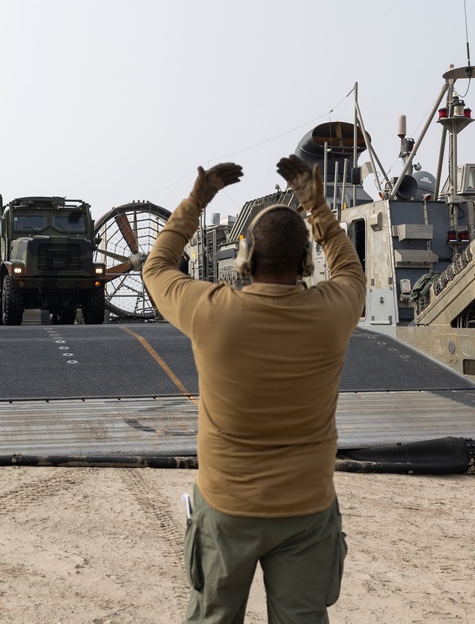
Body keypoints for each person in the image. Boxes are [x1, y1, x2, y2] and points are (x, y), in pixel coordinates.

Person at [143, 155, 365, 623]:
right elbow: (350, 269)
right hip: (307, 509)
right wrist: (316, 206)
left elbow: (157, 267)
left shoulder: (212, 312)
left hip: (226, 508)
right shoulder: (333, 313)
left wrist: (196, 202)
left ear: (246, 260)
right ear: (306, 261)